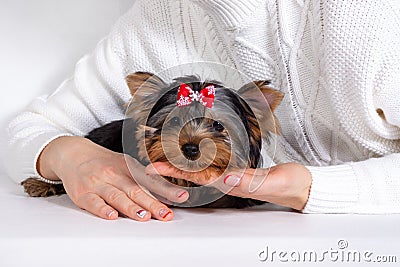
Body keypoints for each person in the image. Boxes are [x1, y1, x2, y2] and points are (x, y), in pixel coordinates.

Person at [6, 0, 400, 221]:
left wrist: (308, 190)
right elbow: (28, 131)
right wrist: (69, 155)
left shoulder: (364, 16)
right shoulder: (150, 20)